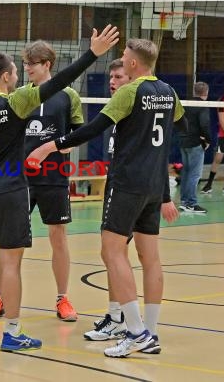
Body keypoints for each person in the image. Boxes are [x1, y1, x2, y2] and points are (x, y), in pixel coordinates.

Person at [0, 19, 119, 351]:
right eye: (15, 70)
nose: (19, 73)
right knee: (11, 262)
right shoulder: (18, 102)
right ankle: (12, 333)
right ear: (5, 77)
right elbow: (60, 80)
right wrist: (91, 55)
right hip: (11, 188)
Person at [28, 38, 185, 358]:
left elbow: (93, 128)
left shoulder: (130, 92)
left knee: (112, 252)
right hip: (154, 185)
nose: (122, 60)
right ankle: (150, 332)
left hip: (127, 182)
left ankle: (136, 331)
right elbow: (172, 131)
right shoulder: (168, 93)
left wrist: (49, 146)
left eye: (125, 57)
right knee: (150, 257)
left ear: (133, 63)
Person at [0, 40, 82, 322]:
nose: (26, 69)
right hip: (19, 179)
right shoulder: (18, 95)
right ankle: (0, 296)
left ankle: (63, 298)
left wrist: (50, 148)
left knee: (58, 237)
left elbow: (76, 137)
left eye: (32, 64)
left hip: (54, 177)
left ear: (47, 65)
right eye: (24, 64)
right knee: (9, 241)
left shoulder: (68, 95)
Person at [83, 59, 132, 342]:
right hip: (116, 186)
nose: (112, 81)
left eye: (118, 76)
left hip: (127, 190)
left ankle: (124, 320)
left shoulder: (131, 109)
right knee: (112, 254)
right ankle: (118, 316)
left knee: (114, 254)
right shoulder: (119, 109)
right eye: (111, 76)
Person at [178, 82, 211, 213]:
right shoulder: (202, 106)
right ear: (206, 93)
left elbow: (178, 121)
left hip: (183, 142)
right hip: (195, 143)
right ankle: (191, 203)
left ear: (194, 92)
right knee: (194, 174)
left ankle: (184, 201)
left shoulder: (186, 104)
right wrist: (207, 139)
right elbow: (204, 124)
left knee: (186, 172)